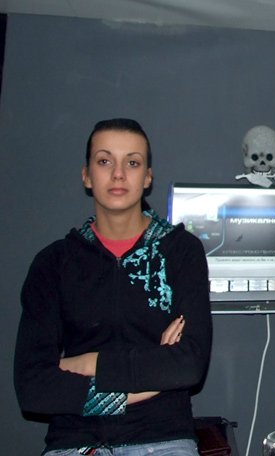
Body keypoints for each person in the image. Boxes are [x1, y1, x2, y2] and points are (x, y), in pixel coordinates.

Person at [14, 118, 212, 455]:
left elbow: (188, 365)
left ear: (147, 177)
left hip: (162, 439)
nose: (118, 174)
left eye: (132, 163)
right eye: (105, 161)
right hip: (74, 442)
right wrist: (142, 382)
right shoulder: (53, 263)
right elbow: (33, 386)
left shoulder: (181, 251)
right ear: (87, 175)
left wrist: (87, 362)